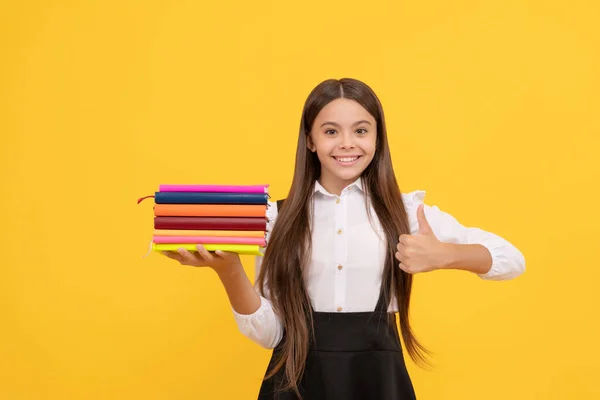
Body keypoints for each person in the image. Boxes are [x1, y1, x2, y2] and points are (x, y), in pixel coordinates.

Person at [161, 78, 526, 399]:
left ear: (378, 137)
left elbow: (511, 260)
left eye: (361, 130)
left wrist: (444, 254)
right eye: (331, 131)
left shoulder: (407, 212)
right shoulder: (275, 217)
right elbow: (270, 335)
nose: (347, 144)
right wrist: (228, 271)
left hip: (379, 383)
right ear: (310, 139)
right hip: (295, 386)